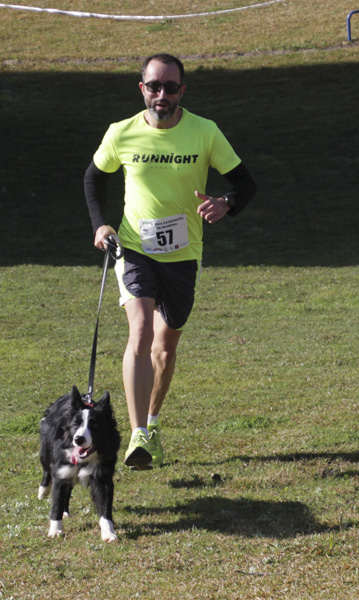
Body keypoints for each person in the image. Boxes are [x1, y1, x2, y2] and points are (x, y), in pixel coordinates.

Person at [83, 53, 257, 470]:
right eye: (154, 86)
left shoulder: (204, 132)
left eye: (171, 87)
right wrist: (100, 225)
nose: (162, 95)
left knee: (165, 348)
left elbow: (245, 183)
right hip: (134, 249)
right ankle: (137, 434)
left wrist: (226, 204)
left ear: (183, 91)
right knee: (140, 332)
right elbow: (94, 176)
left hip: (183, 255)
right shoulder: (121, 133)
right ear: (141, 88)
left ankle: (153, 421)